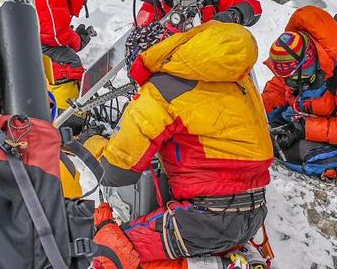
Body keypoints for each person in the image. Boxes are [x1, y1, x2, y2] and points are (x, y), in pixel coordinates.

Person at [84, 21, 274, 269]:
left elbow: (114, 172)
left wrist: (88, 139)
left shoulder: (162, 90)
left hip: (204, 220)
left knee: (108, 251)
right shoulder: (237, 77)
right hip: (254, 214)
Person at [262, 5, 337, 183]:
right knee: (266, 136)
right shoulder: (298, 59)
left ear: (307, 66)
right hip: (314, 115)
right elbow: (277, 89)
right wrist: (256, 114)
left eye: (292, 77)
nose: (288, 81)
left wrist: (304, 129)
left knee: (300, 157)